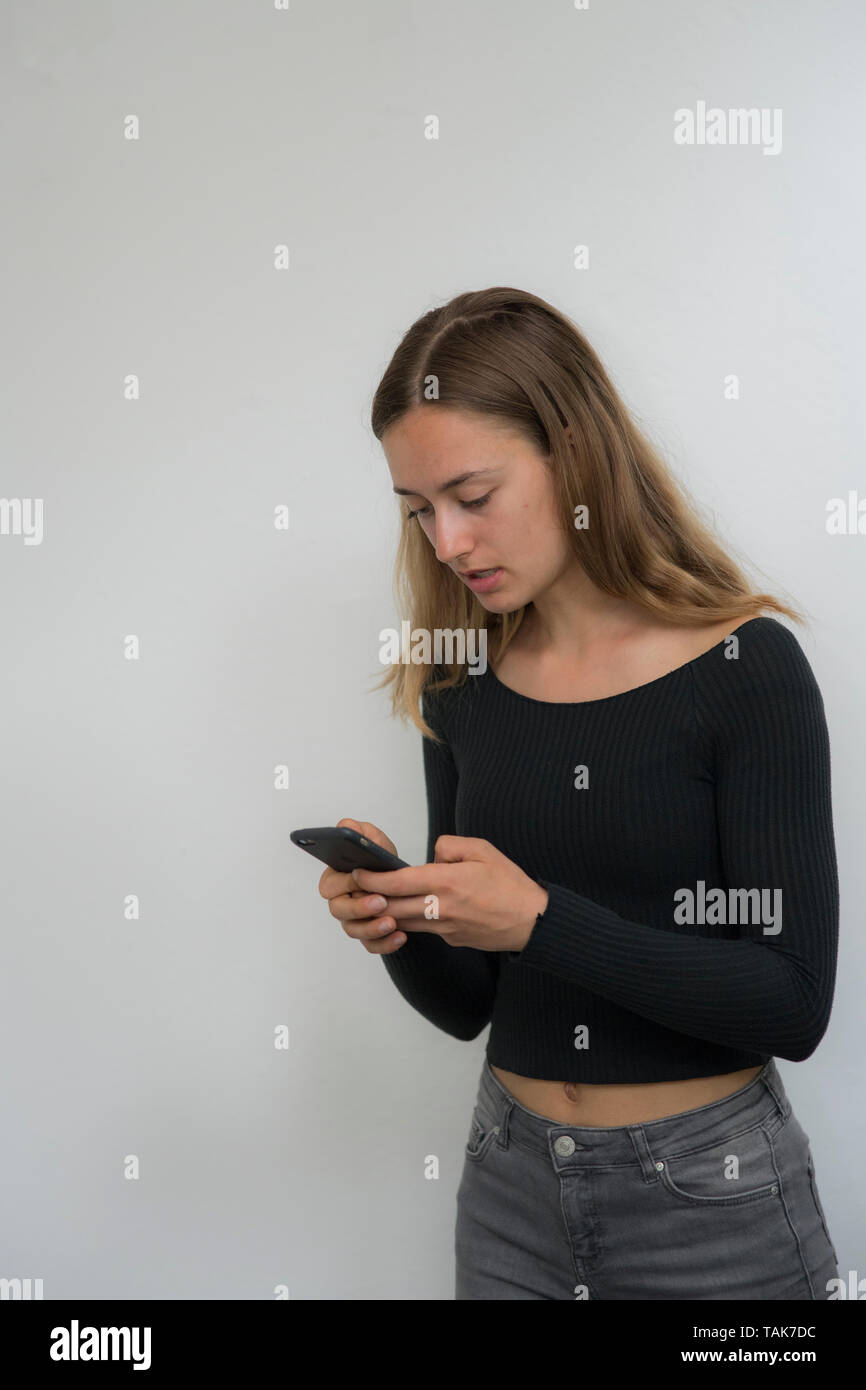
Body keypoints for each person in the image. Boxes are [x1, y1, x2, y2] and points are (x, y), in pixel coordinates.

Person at [318, 287, 840, 1299]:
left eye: (472, 496)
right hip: (509, 1188)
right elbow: (470, 1006)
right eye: (419, 510)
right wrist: (401, 919)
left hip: (710, 1202)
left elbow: (791, 1000)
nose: (447, 543)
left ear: (574, 452)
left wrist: (542, 921)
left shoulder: (744, 668)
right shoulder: (459, 681)